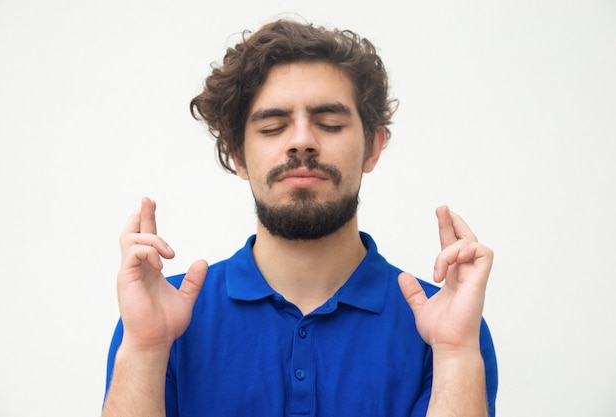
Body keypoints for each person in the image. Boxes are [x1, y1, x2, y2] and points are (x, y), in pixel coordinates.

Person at [102, 19, 498, 417]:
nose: (302, 141)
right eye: (274, 127)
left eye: (330, 124)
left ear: (373, 148)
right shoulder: (163, 318)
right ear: (237, 155)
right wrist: (145, 349)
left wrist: (455, 352)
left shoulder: (445, 323)